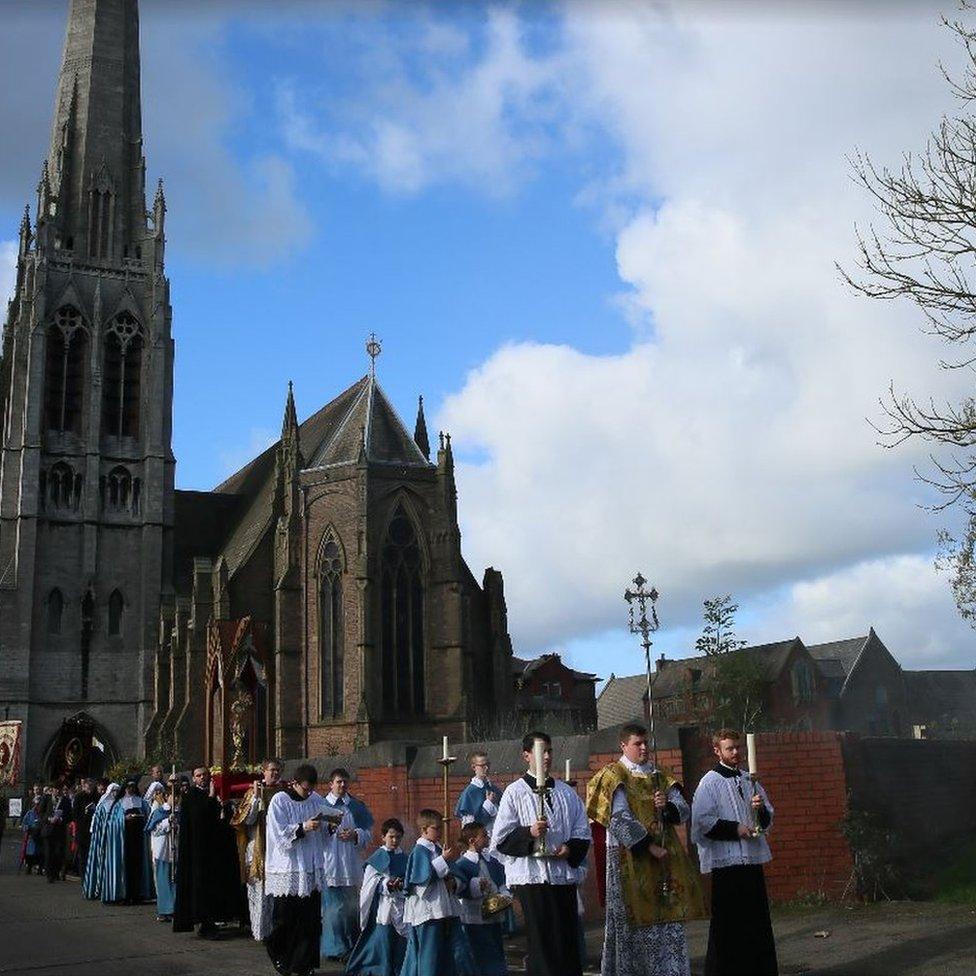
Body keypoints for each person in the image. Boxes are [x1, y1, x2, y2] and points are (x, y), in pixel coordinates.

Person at [586, 723, 707, 976]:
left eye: (645, 743)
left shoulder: (658, 774)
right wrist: (648, 846)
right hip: (629, 858)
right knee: (632, 924)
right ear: (623, 745)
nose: (643, 748)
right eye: (637, 744)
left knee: (669, 919)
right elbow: (617, 819)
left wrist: (667, 807)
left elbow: (683, 809)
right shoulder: (613, 774)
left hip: (664, 860)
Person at [492, 730, 591, 976]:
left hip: (562, 875)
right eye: (540, 751)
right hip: (533, 877)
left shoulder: (565, 792)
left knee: (566, 939)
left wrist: (570, 849)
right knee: (543, 941)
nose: (546, 756)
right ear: (526, 755)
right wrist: (529, 832)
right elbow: (501, 840)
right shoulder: (515, 792)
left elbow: (583, 831)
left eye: (549, 751)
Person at [691, 729, 778, 976]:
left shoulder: (750, 779)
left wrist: (759, 810)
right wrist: (735, 829)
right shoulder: (709, 782)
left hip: (750, 861)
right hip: (726, 864)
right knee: (728, 926)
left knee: (757, 923)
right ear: (717, 750)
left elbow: (767, 818)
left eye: (738, 747)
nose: (736, 752)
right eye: (730, 748)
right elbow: (702, 822)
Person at [263, 763, 329, 976]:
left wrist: (331, 826)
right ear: (294, 783)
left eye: (311, 789)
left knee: (309, 920)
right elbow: (277, 835)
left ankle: (304, 964)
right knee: (285, 919)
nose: (308, 793)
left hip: (310, 868)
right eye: (305, 789)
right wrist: (303, 827)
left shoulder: (316, 800)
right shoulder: (280, 801)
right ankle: (279, 954)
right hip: (288, 868)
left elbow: (325, 830)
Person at [173, 766, 243, 938]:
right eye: (198, 775)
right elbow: (198, 818)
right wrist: (211, 798)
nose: (202, 778)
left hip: (215, 850)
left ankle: (217, 919)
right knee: (201, 887)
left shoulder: (217, 793)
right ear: (194, 778)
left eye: (205, 774)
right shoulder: (190, 796)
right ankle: (205, 924)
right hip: (197, 851)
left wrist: (225, 807)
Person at [401, 808, 473, 976]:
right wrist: (443, 861)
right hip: (428, 912)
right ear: (424, 829)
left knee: (447, 953)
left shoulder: (439, 849)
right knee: (429, 955)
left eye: (441, 828)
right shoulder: (419, 851)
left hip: (445, 909)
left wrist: (453, 882)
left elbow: (455, 874)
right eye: (436, 828)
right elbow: (420, 882)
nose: (440, 832)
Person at [345, 817, 409, 976]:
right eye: (391, 836)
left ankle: (399, 968)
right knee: (383, 938)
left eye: (398, 837)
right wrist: (387, 884)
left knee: (401, 940)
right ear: (383, 837)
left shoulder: (405, 857)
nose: (395, 840)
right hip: (384, 906)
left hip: (402, 904)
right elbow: (369, 883)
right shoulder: (377, 858)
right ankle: (381, 969)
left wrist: (403, 884)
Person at [230, 758, 284, 940]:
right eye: (272, 770)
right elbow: (247, 820)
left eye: (278, 770)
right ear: (263, 771)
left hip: (277, 850)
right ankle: (260, 932)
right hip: (257, 847)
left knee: (275, 892)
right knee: (258, 892)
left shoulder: (283, 793)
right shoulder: (251, 793)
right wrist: (256, 799)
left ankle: (273, 929)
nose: (275, 774)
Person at [319, 767, 369, 961]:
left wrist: (355, 834)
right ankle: (335, 948)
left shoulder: (356, 805)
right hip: (330, 863)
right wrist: (330, 829)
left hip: (350, 862)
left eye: (345, 782)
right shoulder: (322, 805)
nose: (342, 785)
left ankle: (352, 945)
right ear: (331, 784)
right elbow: (317, 834)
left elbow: (368, 831)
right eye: (338, 782)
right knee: (333, 908)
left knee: (351, 907)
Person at [452, 822, 510, 976]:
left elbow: (502, 881)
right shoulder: (462, 864)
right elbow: (459, 888)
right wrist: (476, 885)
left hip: (495, 913)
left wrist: (505, 895)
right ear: (472, 840)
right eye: (484, 835)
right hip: (474, 918)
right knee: (479, 953)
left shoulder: (492, 861)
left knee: (496, 948)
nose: (487, 837)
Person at [102, 777, 153, 905]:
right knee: (126, 865)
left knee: (138, 865)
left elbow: (149, 818)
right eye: (128, 786)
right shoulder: (118, 804)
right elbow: (112, 822)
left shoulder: (142, 802)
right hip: (124, 839)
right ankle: (125, 894)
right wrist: (124, 818)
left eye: (133, 786)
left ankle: (138, 894)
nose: (131, 789)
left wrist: (141, 818)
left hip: (139, 838)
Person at [82, 782, 119, 899]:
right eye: (113, 791)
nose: (115, 793)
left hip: (113, 838)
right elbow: (97, 822)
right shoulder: (103, 804)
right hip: (102, 838)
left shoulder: (119, 804)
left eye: (117, 791)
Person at [146, 783, 177, 921]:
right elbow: (154, 830)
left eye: (177, 797)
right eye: (172, 796)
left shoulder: (179, 811)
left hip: (176, 850)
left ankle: (176, 907)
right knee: (164, 879)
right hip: (163, 851)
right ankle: (165, 909)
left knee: (176, 880)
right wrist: (166, 823)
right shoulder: (159, 812)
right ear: (166, 797)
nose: (175, 799)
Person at [455, 752, 500, 834]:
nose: (486, 768)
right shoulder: (469, 792)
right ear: (474, 767)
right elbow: (470, 827)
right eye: (482, 765)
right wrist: (489, 803)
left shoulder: (494, 788)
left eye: (488, 764)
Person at [20, 797, 42, 874]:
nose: (37, 806)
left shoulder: (43, 813)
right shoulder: (29, 813)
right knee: (30, 852)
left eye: (38, 804)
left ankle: (40, 868)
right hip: (31, 835)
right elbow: (23, 824)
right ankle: (29, 867)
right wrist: (27, 828)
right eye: (36, 804)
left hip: (40, 835)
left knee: (40, 852)